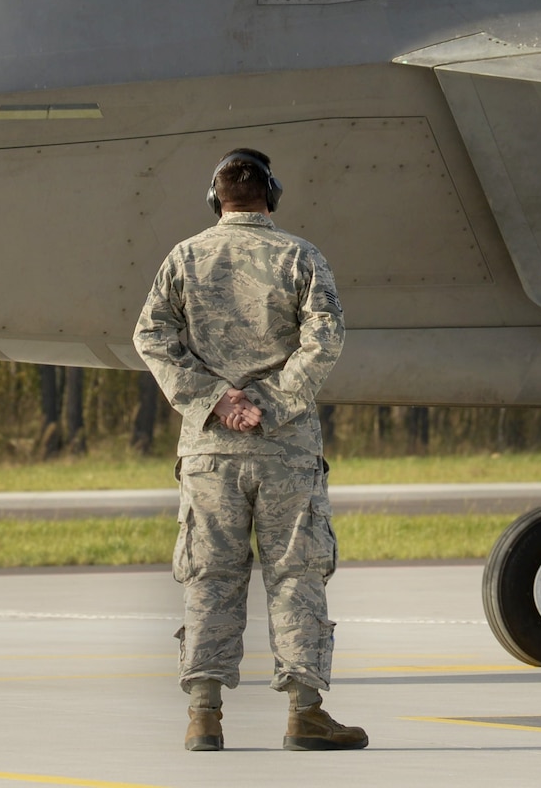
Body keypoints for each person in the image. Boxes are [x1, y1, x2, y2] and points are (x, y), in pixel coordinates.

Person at [132, 149, 368, 753]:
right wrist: (275, 402)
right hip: (285, 450)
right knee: (296, 575)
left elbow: (151, 336)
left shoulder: (184, 258)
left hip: (210, 452)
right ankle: (305, 714)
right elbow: (326, 337)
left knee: (210, 575)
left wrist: (217, 400)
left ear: (217, 200)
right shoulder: (300, 257)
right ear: (272, 195)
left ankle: (204, 716)